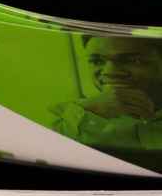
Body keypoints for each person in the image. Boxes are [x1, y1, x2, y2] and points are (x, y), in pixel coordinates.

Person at [51, 34, 162, 165]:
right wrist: (91, 112)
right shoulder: (67, 117)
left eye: (133, 61)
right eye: (97, 61)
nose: (110, 72)